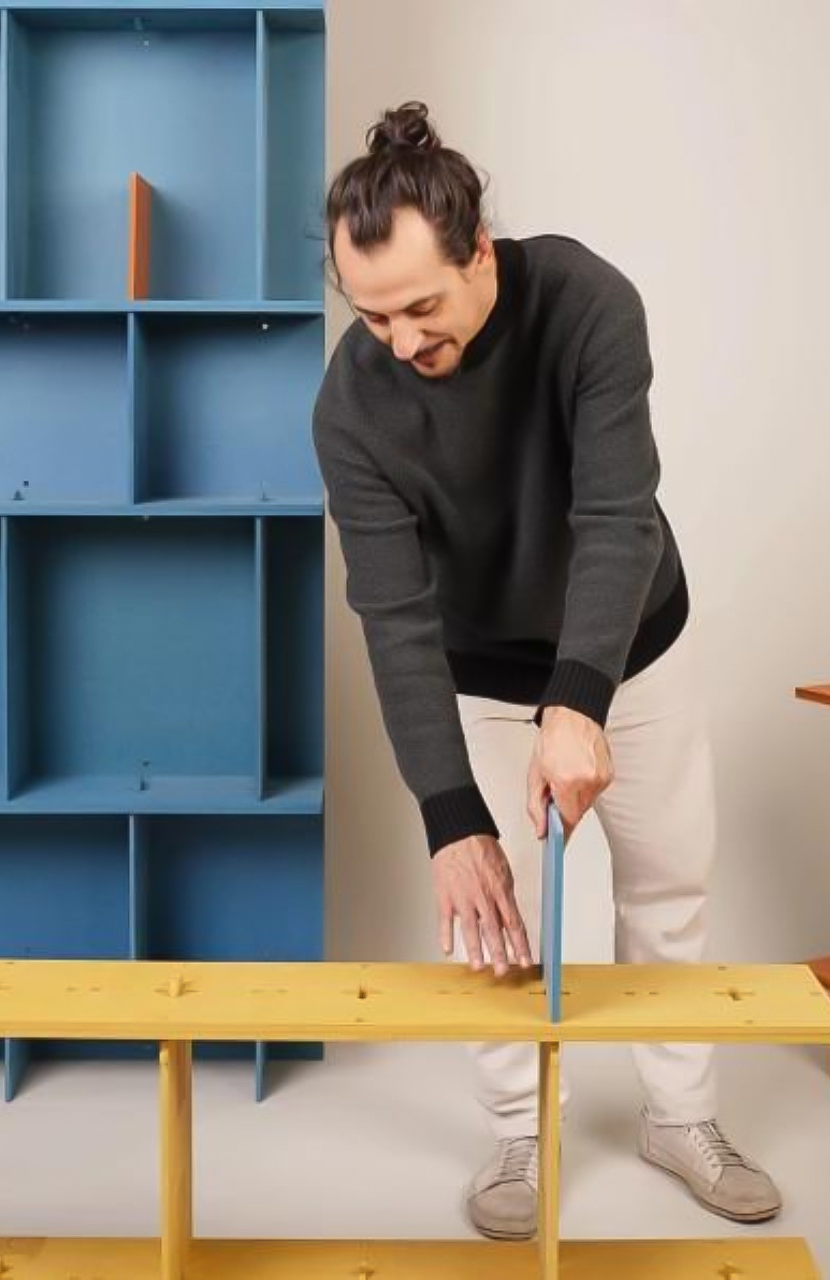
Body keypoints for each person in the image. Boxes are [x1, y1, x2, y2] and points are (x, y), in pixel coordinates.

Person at [311, 101, 781, 1241]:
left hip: (631, 640)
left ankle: (681, 1116)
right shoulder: (351, 406)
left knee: (667, 879)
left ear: (478, 252)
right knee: (491, 907)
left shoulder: (587, 304)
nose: (400, 343)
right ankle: (519, 1127)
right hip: (477, 665)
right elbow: (392, 617)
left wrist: (579, 699)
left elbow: (616, 516)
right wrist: (448, 816)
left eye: (420, 306)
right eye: (371, 315)